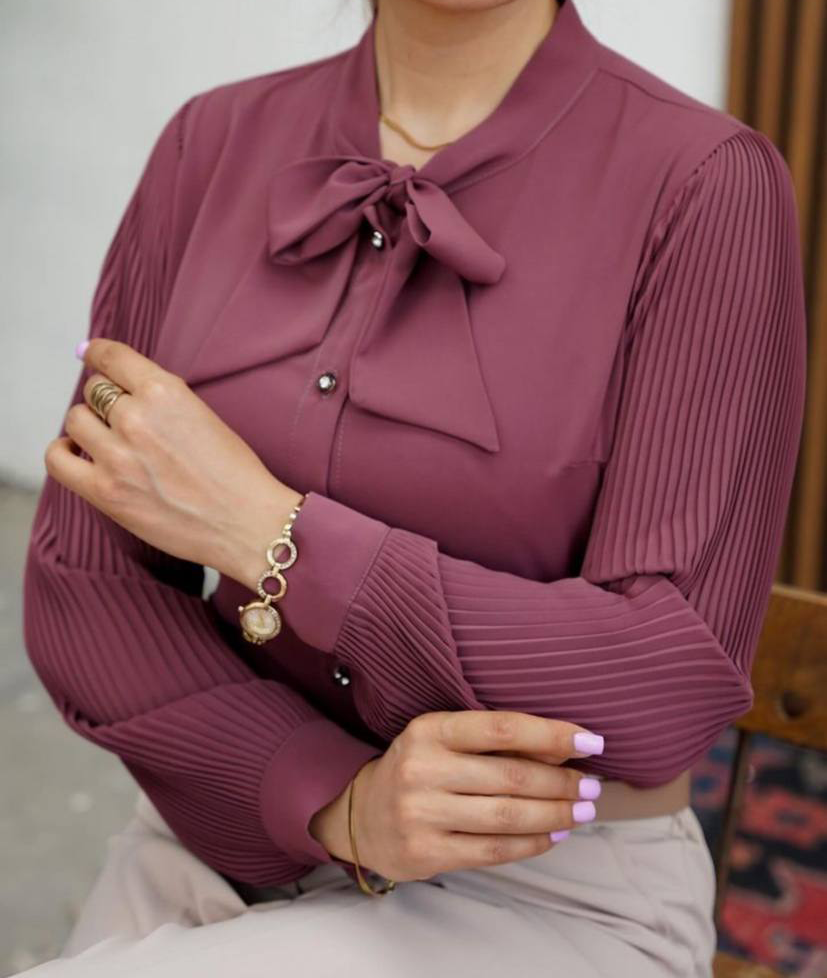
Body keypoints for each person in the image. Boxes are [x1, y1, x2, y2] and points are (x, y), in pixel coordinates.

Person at [18, 0, 807, 974]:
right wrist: (331, 799)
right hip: (220, 829)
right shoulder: (210, 140)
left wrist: (270, 534)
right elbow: (82, 581)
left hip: (535, 883)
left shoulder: (703, 183)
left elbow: (665, 677)